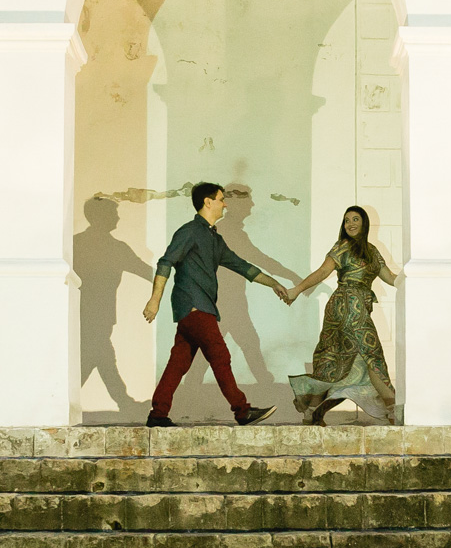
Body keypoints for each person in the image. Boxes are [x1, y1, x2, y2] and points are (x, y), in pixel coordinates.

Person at [142, 182, 289, 427]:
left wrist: (273, 283)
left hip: (198, 309)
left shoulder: (213, 238)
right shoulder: (189, 231)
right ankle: (242, 411)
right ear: (208, 202)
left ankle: (158, 414)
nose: (225, 203)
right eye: (221, 199)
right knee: (220, 356)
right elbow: (165, 262)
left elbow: (241, 265)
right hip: (195, 307)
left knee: (177, 364)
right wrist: (154, 300)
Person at [285, 206, 398, 425]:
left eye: (355, 219)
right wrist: (297, 290)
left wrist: (419, 279)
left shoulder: (372, 251)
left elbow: (391, 278)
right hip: (346, 304)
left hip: (355, 307)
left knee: (332, 361)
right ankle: (393, 408)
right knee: (371, 353)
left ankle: (312, 412)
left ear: (364, 223)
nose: (351, 224)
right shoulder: (342, 246)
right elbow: (322, 272)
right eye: (347, 221)